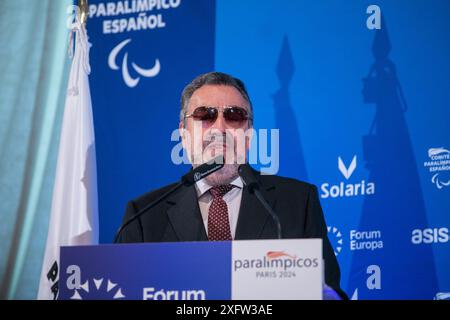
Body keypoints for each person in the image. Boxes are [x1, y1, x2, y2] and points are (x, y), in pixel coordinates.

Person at [116, 71, 348, 299]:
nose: (219, 128)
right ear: (184, 135)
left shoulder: (297, 202)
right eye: (205, 115)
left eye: (234, 115)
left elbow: (330, 291)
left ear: (248, 136)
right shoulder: (144, 216)